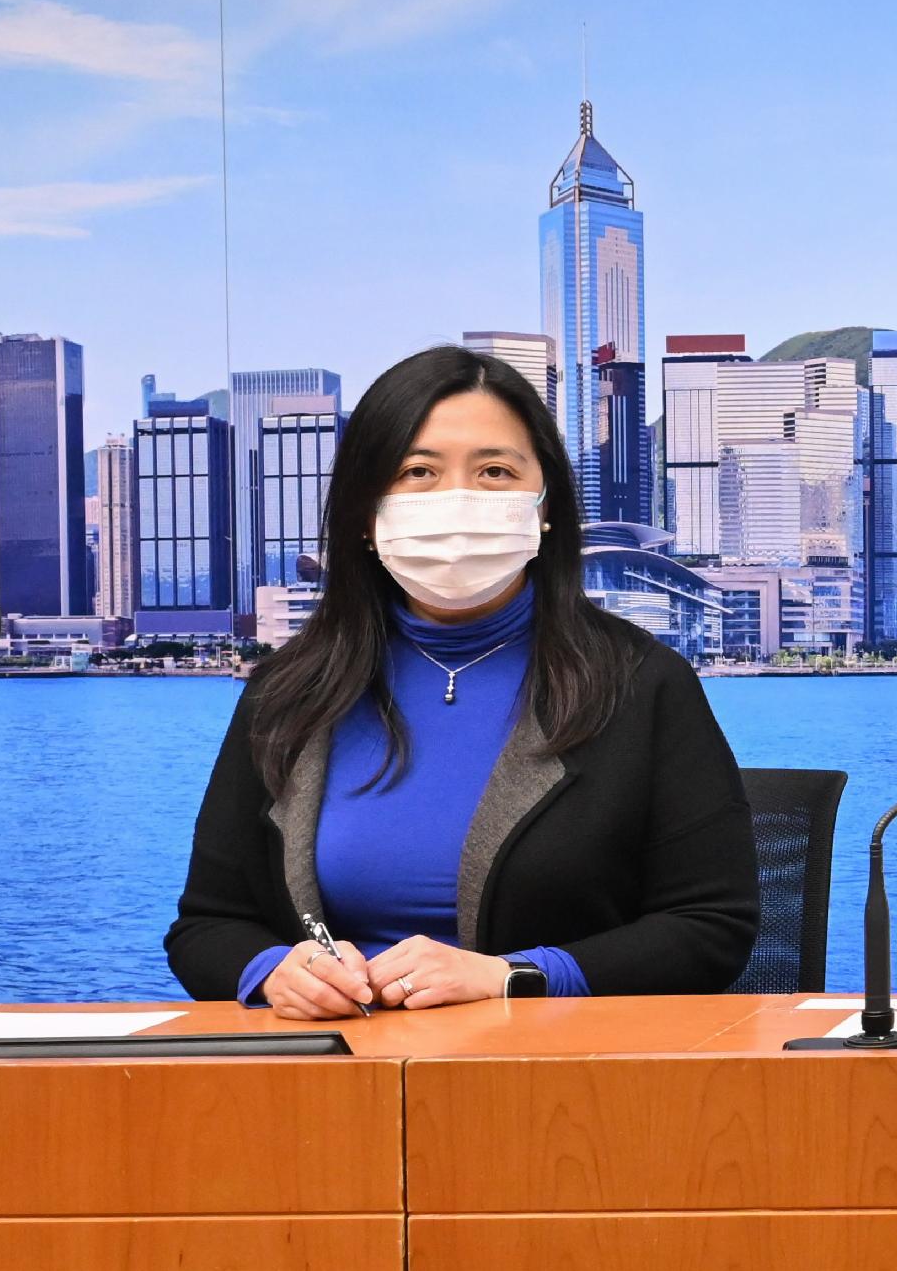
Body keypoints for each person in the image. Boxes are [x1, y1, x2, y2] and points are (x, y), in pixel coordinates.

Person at [164, 346, 760, 1014]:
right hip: (331, 1078)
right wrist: (274, 970)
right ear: (366, 511)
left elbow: (714, 927)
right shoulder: (286, 694)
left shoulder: (643, 684)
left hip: (563, 1080)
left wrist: (514, 976)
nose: (458, 499)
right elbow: (205, 927)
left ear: (545, 506)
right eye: (418, 470)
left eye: (496, 470)